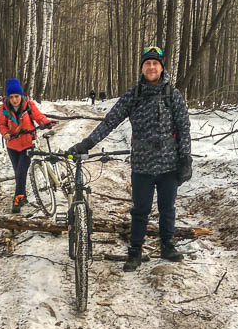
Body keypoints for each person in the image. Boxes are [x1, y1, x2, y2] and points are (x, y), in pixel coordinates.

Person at [67, 46, 192, 272]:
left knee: (167, 208)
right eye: (147, 63)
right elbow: (109, 122)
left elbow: (184, 129)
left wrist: (186, 159)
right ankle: (135, 250)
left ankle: (167, 245)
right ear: (142, 68)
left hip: (169, 164)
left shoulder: (172, 95)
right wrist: (87, 144)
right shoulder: (133, 95)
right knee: (140, 209)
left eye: (155, 63)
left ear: (162, 68)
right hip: (142, 164)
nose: (151, 67)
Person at [0, 78, 55, 213]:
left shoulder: (28, 105)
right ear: (8, 98)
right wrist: (5, 133)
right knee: (18, 172)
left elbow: (38, 117)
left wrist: (46, 122)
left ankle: (18, 197)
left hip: (28, 144)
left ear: (21, 95)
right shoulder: (4, 108)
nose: (14, 100)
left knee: (22, 171)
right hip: (12, 145)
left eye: (16, 96)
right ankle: (23, 195)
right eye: (11, 97)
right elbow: (1, 124)